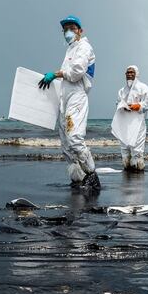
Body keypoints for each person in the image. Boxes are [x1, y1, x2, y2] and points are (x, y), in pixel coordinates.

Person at [38, 15, 100, 190]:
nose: (68, 32)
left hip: (77, 97)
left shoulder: (84, 47)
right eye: (65, 29)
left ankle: (91, 175)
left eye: (72, 28)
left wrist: (55, 74)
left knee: (74, 138)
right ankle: (78, 179)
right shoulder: (70, 50)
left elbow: (76, 72)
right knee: (65, 143)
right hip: (65, 98)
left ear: (80, 31)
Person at [112, 65, 148, 171]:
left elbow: (147, 103)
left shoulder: (144, 88)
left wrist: (138, 106)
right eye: (127, 73)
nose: (129, 74)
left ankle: (137, 170)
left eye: (132, 72)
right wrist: (122, 106)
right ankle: (127, 168)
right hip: (124, 122)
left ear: (136, 74)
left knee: (137, 146)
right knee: (124, 146)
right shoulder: (122, 90)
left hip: (137, 122)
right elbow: (117, 102)